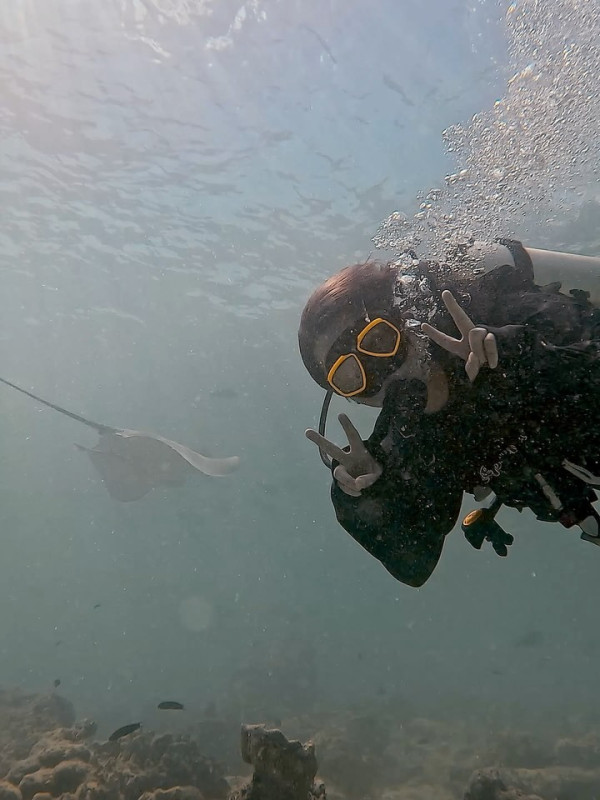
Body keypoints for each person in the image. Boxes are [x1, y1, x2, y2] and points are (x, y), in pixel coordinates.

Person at [298, 238, 600, 587]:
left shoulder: (503, 311)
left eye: (379, 340)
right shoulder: (412, 435)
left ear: (406, 316)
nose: (382, 372)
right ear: (349, 396)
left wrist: (524, 360)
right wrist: (368, 498)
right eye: (352, 375)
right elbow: (414, 564)